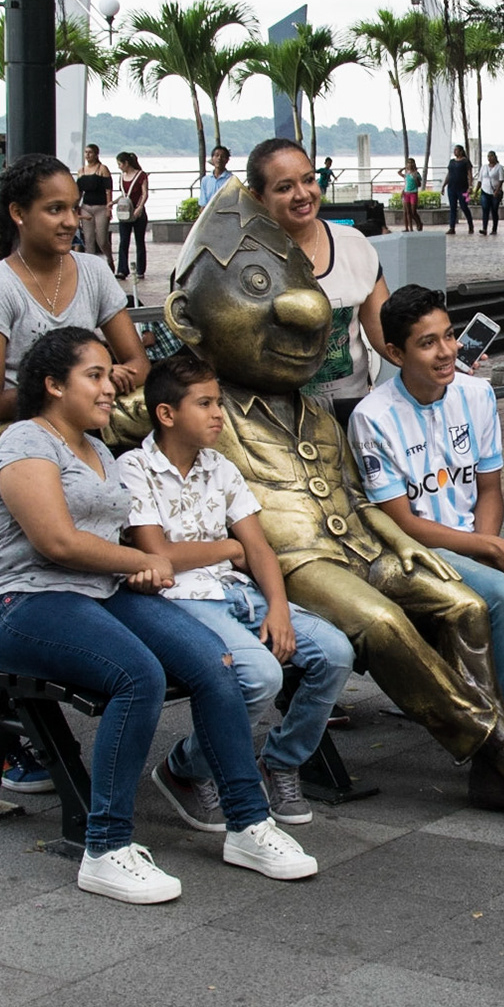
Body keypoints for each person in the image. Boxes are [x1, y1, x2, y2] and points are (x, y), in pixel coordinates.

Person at [120, 177, 504, 817]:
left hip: (361, 544)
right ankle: (502, 746)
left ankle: (489, 768)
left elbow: (357, 496)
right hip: (297, 562)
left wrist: (401, 544)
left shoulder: (312, 410)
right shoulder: (204, 405)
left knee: (462, 604)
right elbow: (105, 412)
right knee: (382, 623)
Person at [0, 327, 318, 903]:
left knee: (216, 663)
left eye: (110, 375)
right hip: (24, 603)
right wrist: (141, 560)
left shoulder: (99, 450)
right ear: (54, 385)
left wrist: (133, 566)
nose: (111, 387)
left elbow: (104, 540)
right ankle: (105, 849)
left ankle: (248, 824)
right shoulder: (26, 444)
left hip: (103, 593)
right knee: (139, 676)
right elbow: (56, 542)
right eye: (95, 375)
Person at [0, 153, 151, 791]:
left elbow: (135, 358)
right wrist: (68, 396)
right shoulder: (0, 287)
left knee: (55, 565)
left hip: (67, 435)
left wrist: (108, 377)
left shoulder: (91, 272)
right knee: (8, 563)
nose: (69, 220)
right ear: (18, 213)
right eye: (53, 209)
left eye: (74, 206)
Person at [350, 285, 504, 781]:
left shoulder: (477, 393)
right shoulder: (371, 417)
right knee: (501, 594)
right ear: (395, 353)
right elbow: (403, 524)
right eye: (427, 343)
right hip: (417, 553)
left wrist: (488, 546)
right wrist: (491, 550)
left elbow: (490, 490)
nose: (446, 352)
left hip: (473, 542)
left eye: (448, 336)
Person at [117, 354, 355, 829]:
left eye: (218, 402)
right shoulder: (135, 468)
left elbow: (259, 548)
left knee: (334, 653)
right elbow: (156, 554)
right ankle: (186, 769)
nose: (218, 414)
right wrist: (227, 546)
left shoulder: (220, 467)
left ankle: (281, 761)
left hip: (240, 594)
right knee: (261, 677)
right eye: (204, 404)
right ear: (166, 414)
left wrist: (281, 610)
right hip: (183, 603)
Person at [242, 137, 389, 423]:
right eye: (285, 187)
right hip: (274, 423)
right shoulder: (241, 261)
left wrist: (436, 359)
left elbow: (387, 336)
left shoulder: (353, 244)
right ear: (257, 197)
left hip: (352, 417)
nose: (302, 194)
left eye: (308, 180)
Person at [114, 151, 150, 281]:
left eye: (120, 164)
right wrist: (113, 202)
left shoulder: (141, 175)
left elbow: (144, 193)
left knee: (139, 241)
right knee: (123, 241)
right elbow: (124, 195)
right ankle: (122, 269)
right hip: (125, 213)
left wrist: (140, 207)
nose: (119, 166)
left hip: (137, 213)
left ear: (126, 163)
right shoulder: (121, 176)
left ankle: (141, 269)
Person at [75, 144, 114, 265]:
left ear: (96, 154)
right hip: (86, 206)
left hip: (101, 206)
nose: (87, 155)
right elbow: (79, 191)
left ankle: (109, 258)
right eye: (86, 152)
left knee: (102, 239)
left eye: (90, 152)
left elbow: (108, 190)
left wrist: (109, 207)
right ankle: (92, 265)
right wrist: (76, 206)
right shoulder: (81, 171)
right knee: (88, 239)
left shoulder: (102, 169)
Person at [444, 144, 474, 234]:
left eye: (456, 150)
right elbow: (449, 174)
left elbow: (469, 175)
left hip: (463, 188)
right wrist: (444, 185)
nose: (455, 151)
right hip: (451, 188)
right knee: (452, 207)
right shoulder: (451, 162)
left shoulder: (465, 161)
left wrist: (470, 186)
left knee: (464, 206)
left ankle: (470, 224)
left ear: (461, 151)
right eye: (454, 150)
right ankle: (452, 227)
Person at [479, 151, 504, 236]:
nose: (490, 158)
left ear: (495, 157)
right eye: (488, 156)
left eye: (491, 156)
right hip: (485, 190)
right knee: (485, 209)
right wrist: (476, 191)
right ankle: (484, 228)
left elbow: (501, 180)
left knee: (494, 210)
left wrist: (497, 191)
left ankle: (494, 229)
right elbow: (480, 180)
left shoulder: (499, 167)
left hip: (494, 192)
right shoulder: (484, 167)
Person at [401, 157, 424, 232]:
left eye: (411, 163)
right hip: (406, 193)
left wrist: (415, 179)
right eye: (408, 163)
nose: (410, 164)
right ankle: (408, 228)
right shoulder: (407, 173)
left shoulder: (416, 174)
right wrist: (404, 168)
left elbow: (419, 184)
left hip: (413, 193)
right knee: (407, 211)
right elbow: (400, 174)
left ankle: (419, 223)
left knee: (413, 211)